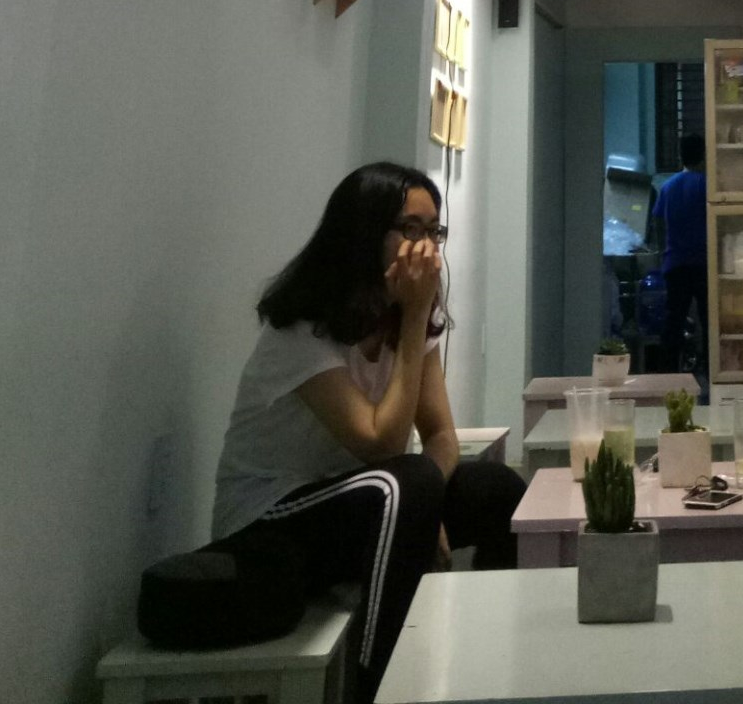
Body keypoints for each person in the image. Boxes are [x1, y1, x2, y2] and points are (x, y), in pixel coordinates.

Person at [211, 163, 524, 701]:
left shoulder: (407, 321)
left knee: (496, 489)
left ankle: (496, 671)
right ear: (364, 234)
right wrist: (415, 317)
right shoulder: (303, 328)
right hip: (268, 521)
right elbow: (380, 443)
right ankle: (380, 690)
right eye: (410, 229)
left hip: (369, 502)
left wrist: (425, 506)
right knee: (405, 483)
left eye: (434, 231)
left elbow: (441, 437)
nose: (426, 247)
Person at [650, 133, 708, 374]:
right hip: (704, 263)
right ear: (704, 155)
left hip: (675, 263)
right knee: (709, 320)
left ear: (680, 156)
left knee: (674, 320)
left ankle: (668, 373)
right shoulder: (707, 185)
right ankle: (710, 370)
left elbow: (658, 223)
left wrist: (663, 253)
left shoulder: (668, 187)